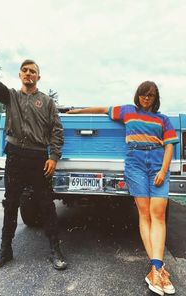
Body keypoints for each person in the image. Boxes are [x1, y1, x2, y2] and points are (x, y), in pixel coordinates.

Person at [67, 81, 178, 295]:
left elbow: (170, 145)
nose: (147, 98)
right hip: (135, 163)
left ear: (156, 98)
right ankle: (157, 268)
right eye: (144, 95)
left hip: (157, 163)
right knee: (144, 213)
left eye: (151, 96)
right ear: (137, 95)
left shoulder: (163, 119)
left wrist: (163, 171)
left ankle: (156, 270)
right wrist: (78, 111)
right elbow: (102, 109)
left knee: (159, 214)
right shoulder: (127, 111)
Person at [0, 47, 67, 271]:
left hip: (38, 157)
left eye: (33, 71)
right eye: (24, 70)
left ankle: (55, 250)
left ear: (38, 76)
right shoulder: (11, 97)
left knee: (46, 204)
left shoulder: (46, 102)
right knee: (11, 204)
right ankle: (5, 251)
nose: (28, 74)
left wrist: (54, 156)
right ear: (20, 75)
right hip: (15, 156)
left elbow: (56, 130)